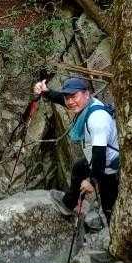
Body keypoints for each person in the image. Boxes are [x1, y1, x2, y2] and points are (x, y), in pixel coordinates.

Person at [32, 75, 120, 225]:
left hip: (108, 168)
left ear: (86, 94)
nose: (70, 102)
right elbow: (63, 100)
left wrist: (92, 181)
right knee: (79, 168)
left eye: (74, 96)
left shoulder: (97, 119)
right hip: (99, 161)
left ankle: (115, 232)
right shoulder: (87, 104)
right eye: (68, 98)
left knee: (109, 205)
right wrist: (46, 92)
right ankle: (68, 203)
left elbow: (100, 154)